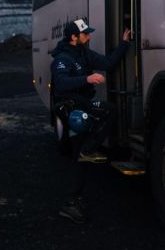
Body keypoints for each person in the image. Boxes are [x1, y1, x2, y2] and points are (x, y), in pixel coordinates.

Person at [51, 18, 131, 224]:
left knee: (107, 113)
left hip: (83, 105)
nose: (90, 36)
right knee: (79, 156)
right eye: (86, 34)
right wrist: (87, 79)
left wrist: (124, 43)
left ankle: (87, 152)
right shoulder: (62, 58)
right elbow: (60, 83)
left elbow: (108, 63)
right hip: (72, 108)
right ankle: (71, 203)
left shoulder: (83, 53)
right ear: (74, 37)